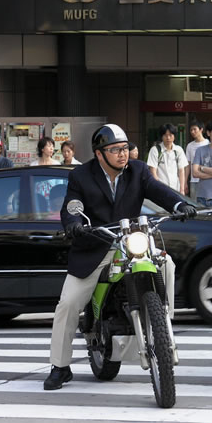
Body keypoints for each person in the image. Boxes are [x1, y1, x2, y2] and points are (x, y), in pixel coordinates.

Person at [44, 124, 196, 390]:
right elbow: (71, 206)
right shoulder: (81, 175)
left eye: (125, 148)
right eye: (115, 150)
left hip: (131, 240)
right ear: (99, 153)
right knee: (68, 303)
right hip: (96, 245)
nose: (123, 154)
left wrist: (179, 204)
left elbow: (158, 190)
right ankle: (60, 366)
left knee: (167, 263)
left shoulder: (137, 171)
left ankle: (162, 316)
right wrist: (74, 224)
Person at [146, 123, 188, 195]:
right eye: (165, 135)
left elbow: (181, 171)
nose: (168, 138)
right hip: (160, 189)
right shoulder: (155, 150)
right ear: (162, 136)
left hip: (176, 189)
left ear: (174, 136)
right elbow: (153, 171)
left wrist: (182, 190)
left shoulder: (178, 150)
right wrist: (158, 188)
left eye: (170, 135)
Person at [185, 119, 209, 200]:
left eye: (195, 129)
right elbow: (188, 165)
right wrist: (185, 182)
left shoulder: (208, 144)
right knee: (194, 204)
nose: (192, 132)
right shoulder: (190, 146)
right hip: (194, 181)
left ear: (201, 129)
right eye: (191, 130)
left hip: (206, 180)